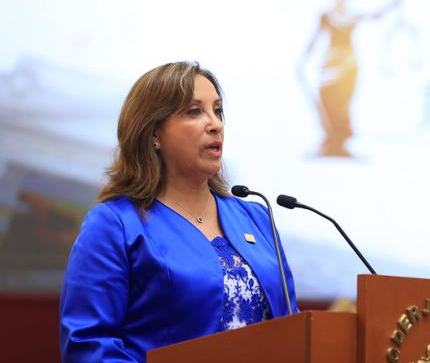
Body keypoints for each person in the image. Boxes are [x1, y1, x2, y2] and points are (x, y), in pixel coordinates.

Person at [59, 61, 299, 363]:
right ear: (153, 132)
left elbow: (294, 325)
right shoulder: (115, 224)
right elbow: (88, 345)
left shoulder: (255, 216)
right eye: (194, 111)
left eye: (218, 110)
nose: (215, 124)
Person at [298, 0, 402, 157]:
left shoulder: (352, 17)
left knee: (342, 104)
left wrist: (395, 0)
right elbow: (315, 38)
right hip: (329, 66)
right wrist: (303, 59)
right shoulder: (326, 16)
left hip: (348, 67)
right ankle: (330, 140)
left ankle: (340, 141)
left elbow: (377, 15)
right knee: (326, 101)